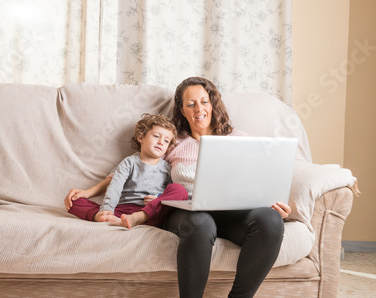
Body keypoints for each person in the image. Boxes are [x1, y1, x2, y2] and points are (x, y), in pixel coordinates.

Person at [65, 77, 291, 297]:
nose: (198, 109)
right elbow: (134, 168)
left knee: (270, 220)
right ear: (182, 110)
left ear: (212, 104)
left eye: (204, 101)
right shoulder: (173, 142)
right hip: (186, 211)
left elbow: (259, 178)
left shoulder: (240, 139)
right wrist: (88, 192)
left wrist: (274, 201)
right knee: (201, 223)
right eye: (190, 104)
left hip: (232, 212)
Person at [65, 113, 188, 229]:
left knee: (179, 189)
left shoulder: (167, 167)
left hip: (149, 212)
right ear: (141, 137)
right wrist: (107, 209)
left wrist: (158, 199)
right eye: (156, 136)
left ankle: (137, 218)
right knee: (75, 201)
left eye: (166, 141)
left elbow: (170, 193)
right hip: (122, 211)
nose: (161, 142)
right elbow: (115, 186)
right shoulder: (129, 163)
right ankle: (103, 217)